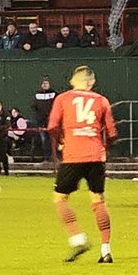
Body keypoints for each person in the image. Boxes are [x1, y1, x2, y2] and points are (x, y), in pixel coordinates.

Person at [48, 65, 118, 263]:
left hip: (73, 154)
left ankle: (77, 238)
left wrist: (62, 141)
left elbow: (52, 126)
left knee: (60, 198)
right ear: (91, 82)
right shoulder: (102, 100)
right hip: (96, 155)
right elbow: (112, 132)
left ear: (74, 81)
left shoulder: (63, 98)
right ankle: (106, 251)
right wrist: (103, 146)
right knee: (98, 201)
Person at [31, 78, 59, 162]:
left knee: (54, 140)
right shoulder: (37, 95)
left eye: (46, 83)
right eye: (43, 83)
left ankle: (55, 157)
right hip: (41, 122)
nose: (45, 85)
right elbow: (34, 107)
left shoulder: (54, 94)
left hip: (52, 122)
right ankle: (47, 158)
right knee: (44, 140)